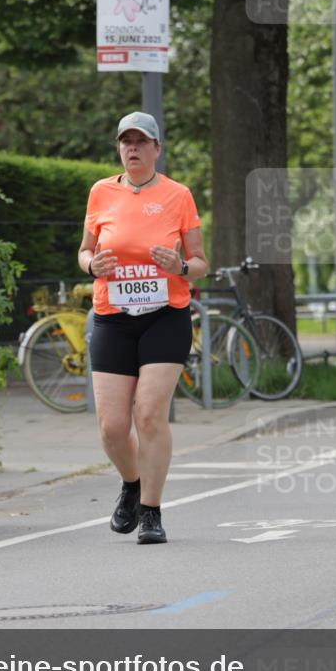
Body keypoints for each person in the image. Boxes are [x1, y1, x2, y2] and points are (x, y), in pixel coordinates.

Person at [78, 111, 208, 544]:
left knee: (149, 414)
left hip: (164, 316)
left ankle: (151, 511)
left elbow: (202, 264)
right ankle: (132, 484)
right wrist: (91, 264)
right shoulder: (100, 193)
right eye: (125, 141)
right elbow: (84, 252)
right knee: (112, 426)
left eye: (141, 141)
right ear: (119, 148)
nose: (132, 148)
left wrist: (183, 266)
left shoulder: (178, 195)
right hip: (112, 317)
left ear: (156, 148)